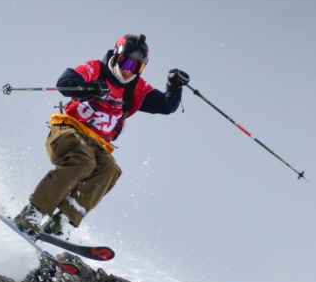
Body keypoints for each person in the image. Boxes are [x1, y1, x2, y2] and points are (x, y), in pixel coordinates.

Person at [15, 33, 189, 235]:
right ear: (116, 56)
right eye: (125, 63)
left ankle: (63, 220)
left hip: (98, 144)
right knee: (83, 161)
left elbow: (165, 105)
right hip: (69, 130)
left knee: (109, 169)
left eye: (136, 67)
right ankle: (33, 212)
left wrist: (174, 88)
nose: (127, 71)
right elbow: (65, 82)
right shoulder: (96, 69)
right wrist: (88, 87)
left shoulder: (136, 89)